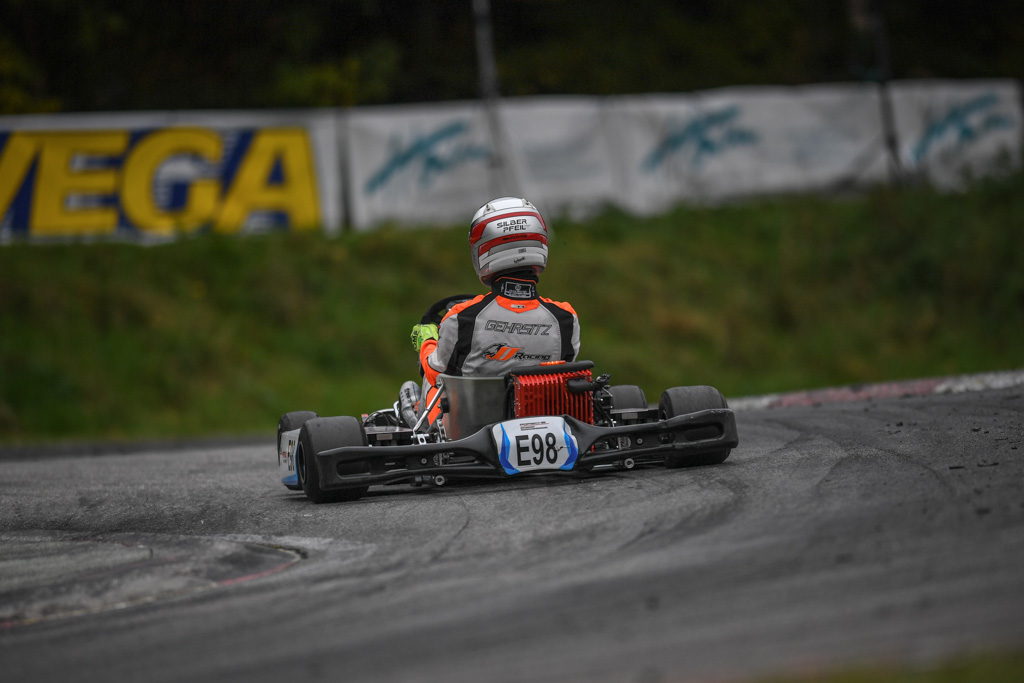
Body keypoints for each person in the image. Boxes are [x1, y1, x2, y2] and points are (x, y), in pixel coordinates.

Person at [406, 197, 580, 427]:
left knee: (433, 384)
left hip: (470, 436)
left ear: (484, 250)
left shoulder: (462, 317)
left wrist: (427, 341)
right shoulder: (566, 318)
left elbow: (435, 372)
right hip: (543, 423)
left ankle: (413, 422)